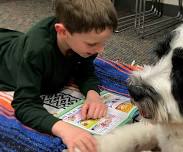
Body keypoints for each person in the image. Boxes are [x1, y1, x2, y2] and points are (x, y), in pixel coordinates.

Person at [0, 0, 117, 151]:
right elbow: (24, 104)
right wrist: (65, 129)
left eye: (103, 43)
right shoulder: (37, 50)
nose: (100, 50)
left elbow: (84, 70)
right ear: (62, 31)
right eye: (92, 44)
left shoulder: (84, 43)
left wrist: (93, 93)